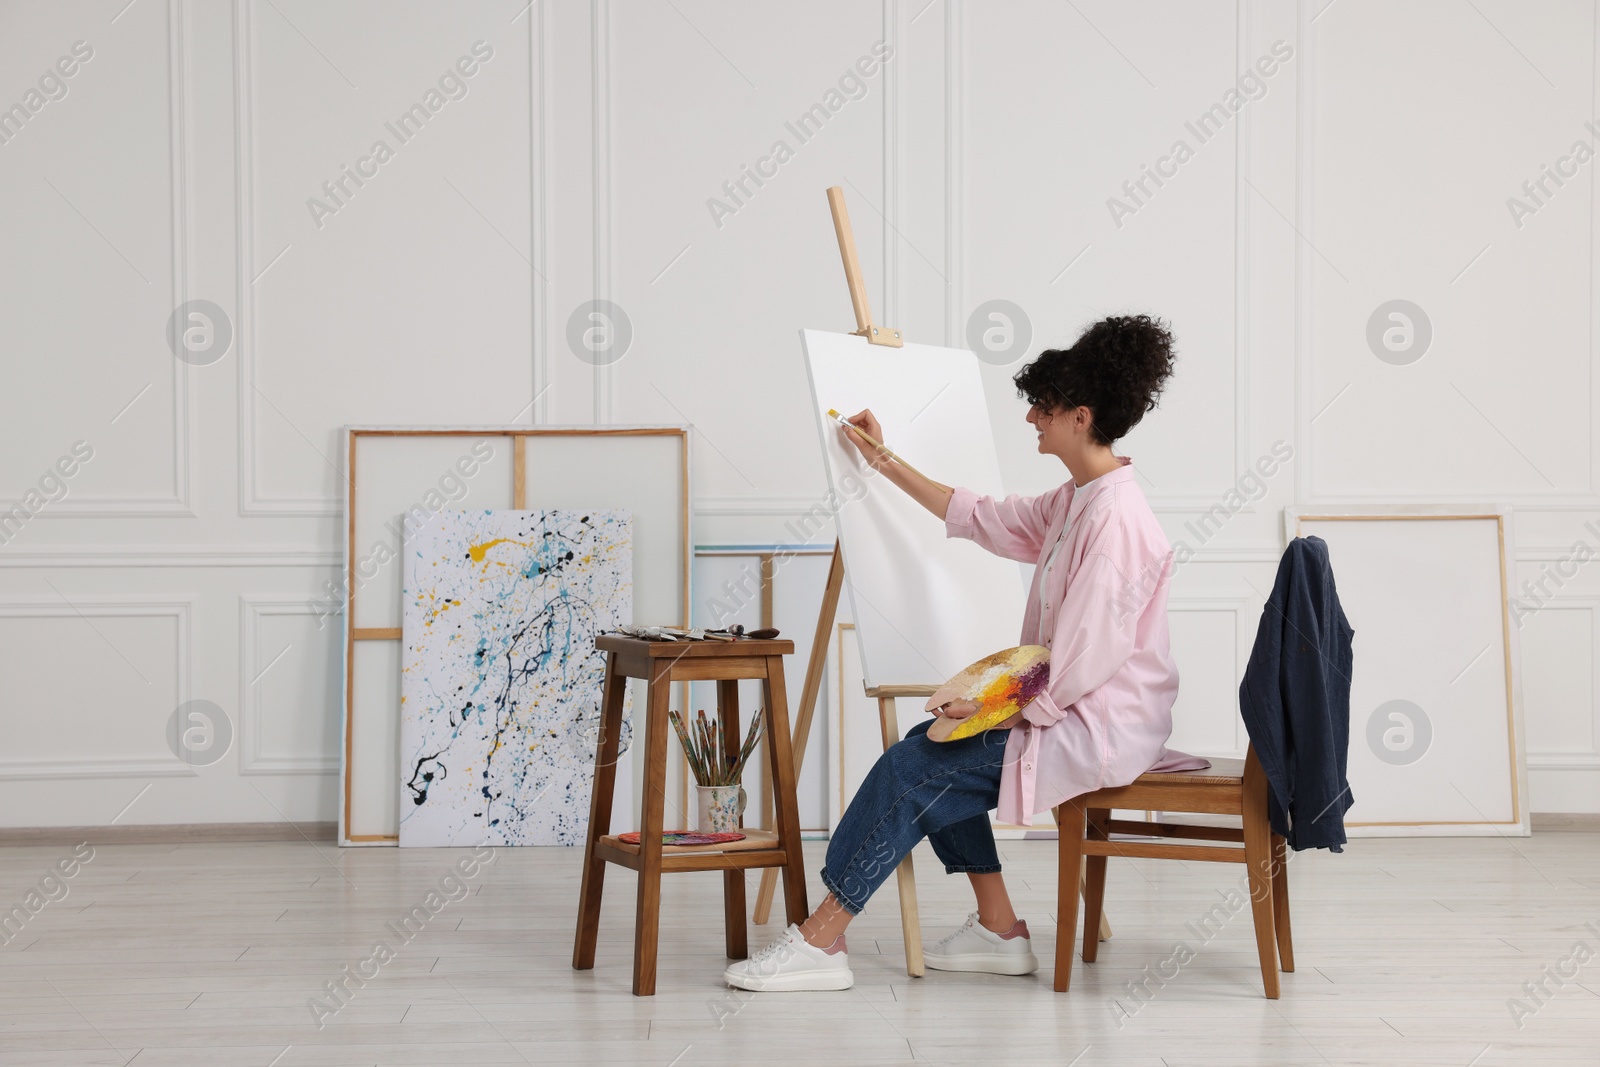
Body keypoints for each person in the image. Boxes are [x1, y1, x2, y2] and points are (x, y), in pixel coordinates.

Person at [724, 313, 1207, 993]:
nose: (1032, 419)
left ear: (1081, 416)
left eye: (1044, 408)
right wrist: (882, 459)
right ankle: (999, 930)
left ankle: (821, 938)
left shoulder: (1116, 519)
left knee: (911, 765)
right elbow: (984, 515)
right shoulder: (1079, 498)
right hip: (1073, 705)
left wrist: (986, 707)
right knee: (939, 748)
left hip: (1098, 723)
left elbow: (1081, 661)